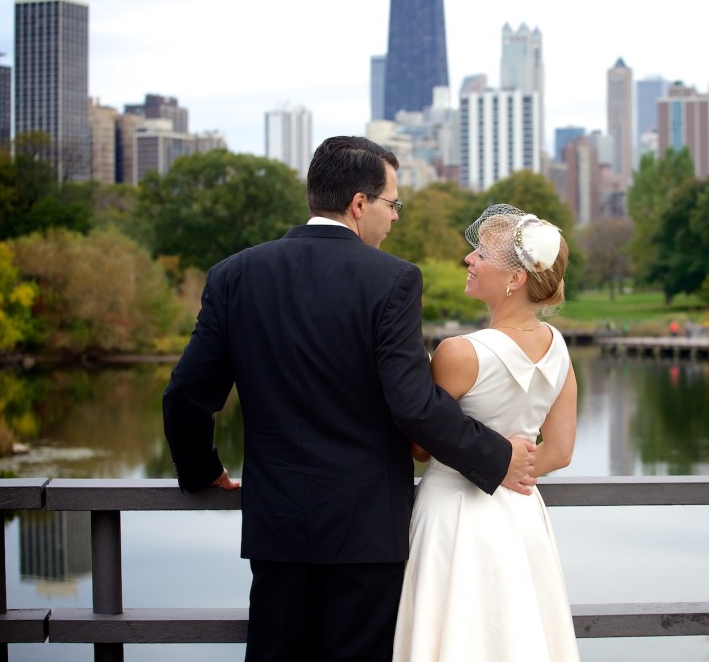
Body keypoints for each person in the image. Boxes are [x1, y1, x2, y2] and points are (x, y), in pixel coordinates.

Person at [162, 137, 538, 662]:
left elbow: (185, 394)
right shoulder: (392, 280)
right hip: (366, 532)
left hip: (278, 527)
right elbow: (413, 405)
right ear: (360, 205)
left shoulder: (234, 275)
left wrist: (200, 470)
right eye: (393, 204)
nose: (396, 218)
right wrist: (497, 456)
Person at [393, 204, 580, 662]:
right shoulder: (559, 350)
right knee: (518, 633)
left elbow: (421, 445)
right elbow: (560, 450)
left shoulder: (460, 352)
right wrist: (514, 464)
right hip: (521, 517)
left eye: (480, 254)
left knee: (456, 631)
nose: (469, 260)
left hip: (456, 517)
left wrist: (494, 459)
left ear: (514, 278)